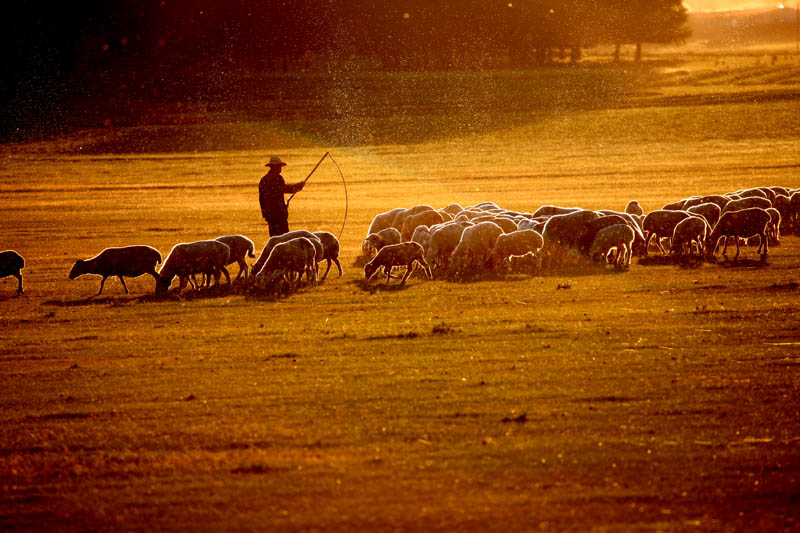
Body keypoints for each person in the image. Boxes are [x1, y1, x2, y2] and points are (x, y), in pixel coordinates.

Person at [259, 156, 305, 237]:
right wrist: (298, 186)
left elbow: (262, 199)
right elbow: (284, 189)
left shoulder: (263, 179)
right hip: (278, 215)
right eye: (279, 166)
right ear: (274, 167)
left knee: (274, 238)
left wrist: (266, 214)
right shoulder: (277, 178)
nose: (280, 168)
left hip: (269, 215)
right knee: (284, 238)